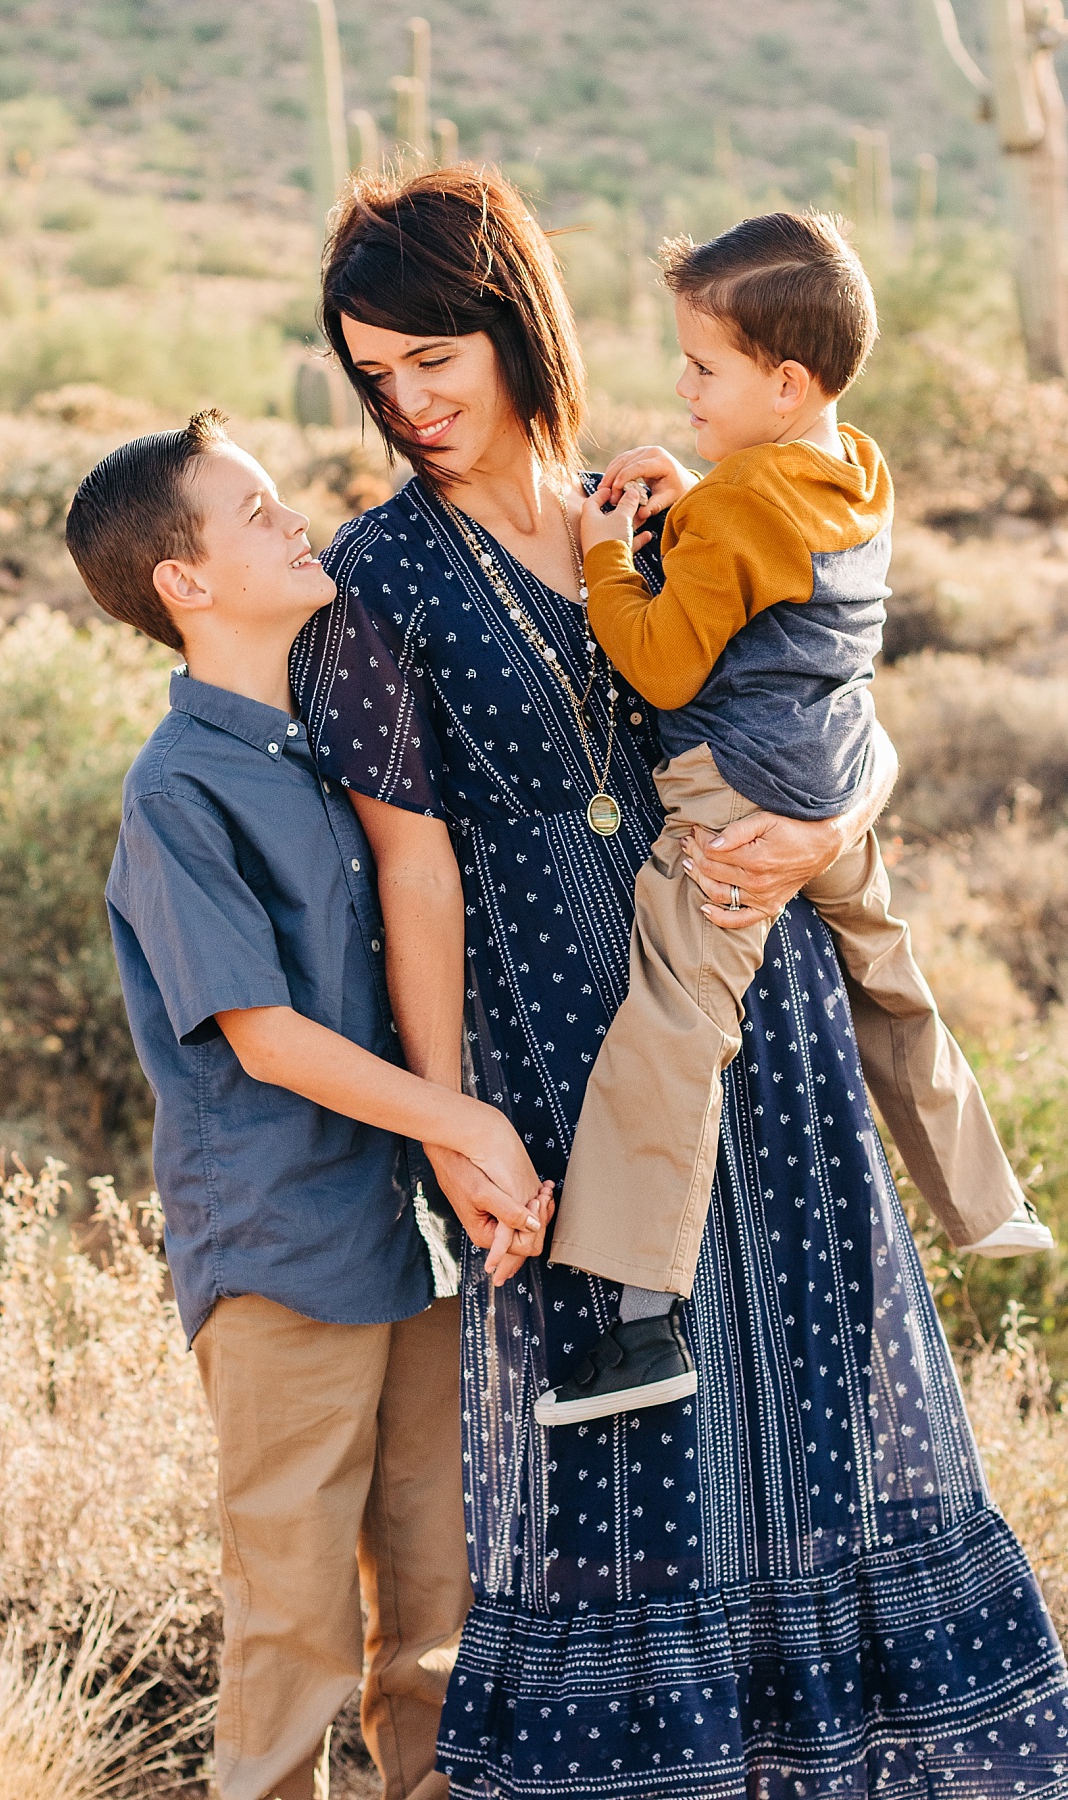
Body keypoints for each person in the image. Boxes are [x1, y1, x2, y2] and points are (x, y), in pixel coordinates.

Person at [294, 165, 1068, 1800]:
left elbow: (828, 714)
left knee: (808, 1428)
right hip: (566, 1074)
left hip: (757, 1027)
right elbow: (410, 870)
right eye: (376, 376)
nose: (409, 402)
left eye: (433, 357)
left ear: (512, 325)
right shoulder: (376, 581)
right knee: (620, 1467)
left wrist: (833, 823)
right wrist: (450, 1121)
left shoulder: (675, 507)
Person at [64, 411, 552, 1800]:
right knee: (293, 1634)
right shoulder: (177, 790)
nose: (296, 521)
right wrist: (461, 1125)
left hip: (410, 1249)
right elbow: (266, 1038)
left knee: (438, 1626)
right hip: (281, 1255)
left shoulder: (334, 751)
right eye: (258, 509)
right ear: (187, 582)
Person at [541, 211, 1052, 1426]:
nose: (682, 386)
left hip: (733, 793)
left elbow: (663, 665)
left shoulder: (729, 512)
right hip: (830, 780)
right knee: (891, 975)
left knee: (676, 1019)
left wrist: (613, 557)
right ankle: (988, 1205)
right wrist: (704, 491)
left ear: (783, 379)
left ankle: (640, 1324)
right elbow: (770, 537)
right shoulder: (857, 467)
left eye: (703, 369)